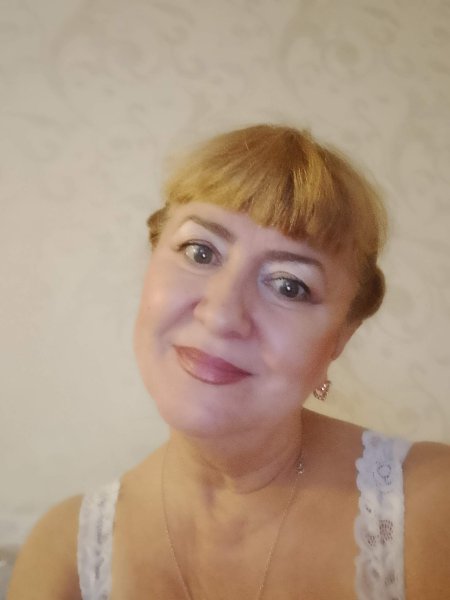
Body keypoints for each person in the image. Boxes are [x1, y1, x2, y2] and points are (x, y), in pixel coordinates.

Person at [8, 124, 450, 600]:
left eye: (289, 285)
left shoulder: (432, 505)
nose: (221, 314)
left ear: (341, 337)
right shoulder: (63, 555)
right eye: (200, 252)